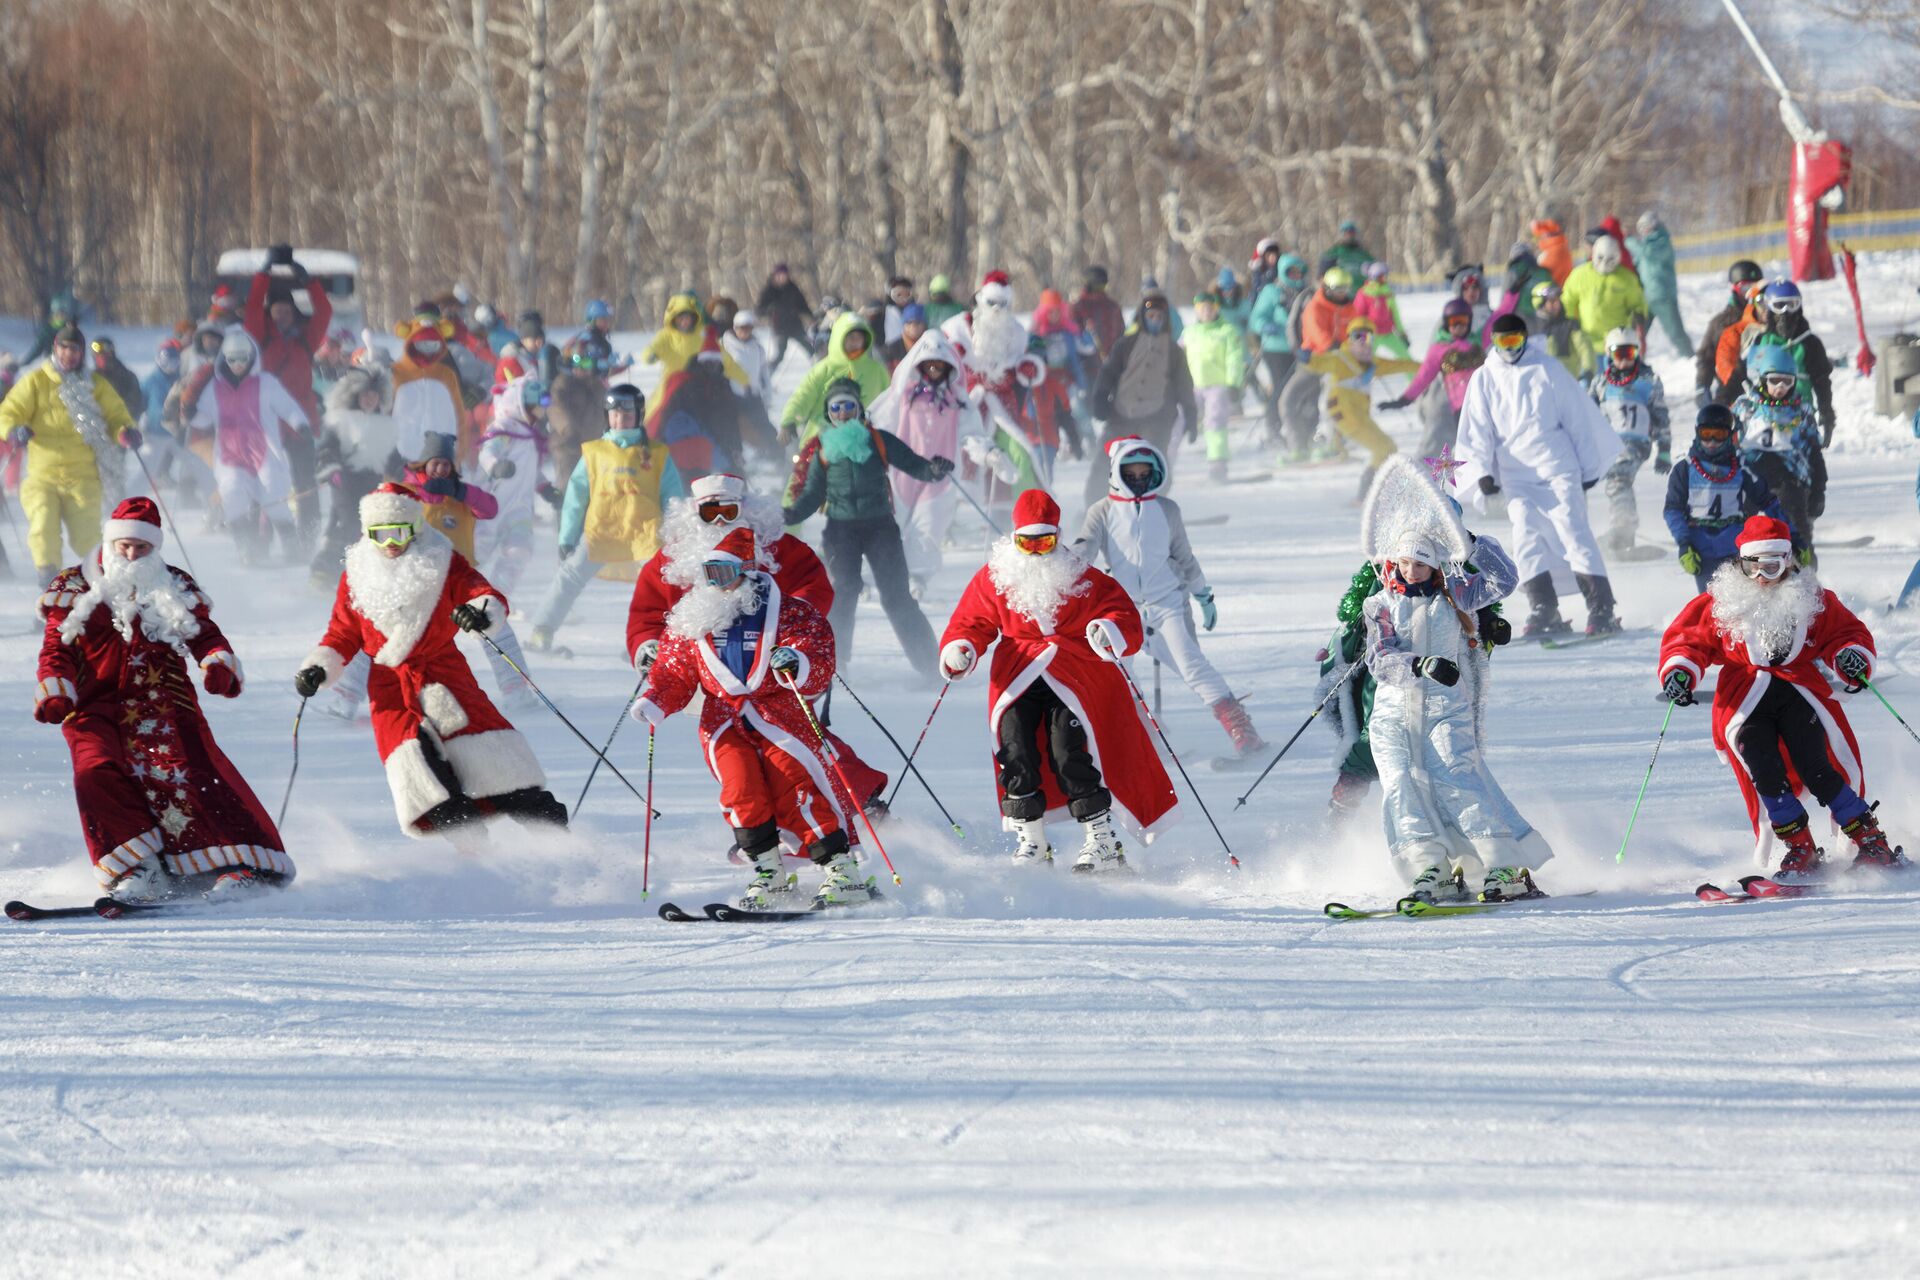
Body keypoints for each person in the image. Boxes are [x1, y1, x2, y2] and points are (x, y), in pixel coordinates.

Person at [33, 497, 292, 901]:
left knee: (193, 770)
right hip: (93, 706)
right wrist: (56, 684)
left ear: (156, 548)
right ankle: (140, 868)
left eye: (142, 548)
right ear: (110, 542)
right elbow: (56, 646)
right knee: (95, 771)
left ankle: (242, 862)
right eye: (124, 546)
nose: (132, 554)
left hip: (164, 702)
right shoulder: (73, 586)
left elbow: (204, 633)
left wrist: (216, 662)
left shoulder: (173, 584)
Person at [296, 482, 565, 845]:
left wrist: (480, 611)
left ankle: (555, 835)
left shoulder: (442, 560)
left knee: (495, 766)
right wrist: (321, 667)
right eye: (380, 535)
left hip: (444, 676)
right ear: (368, 534)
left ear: (414, 528)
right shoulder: (356, 575)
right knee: (422, 777)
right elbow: (342, 633)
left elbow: (478, 590)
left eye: (399, 532)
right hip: (390, 688)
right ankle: (473, 851)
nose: (390, 543)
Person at [632, 526, 876, 910]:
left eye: (724, 574)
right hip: (723, 720)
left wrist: (797, 662)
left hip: (777, 714)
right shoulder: (696, 617)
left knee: (796, 784)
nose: (716, 585)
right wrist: (657, 700)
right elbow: (674, 670)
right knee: (740, 791)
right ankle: (769, 872)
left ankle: (841, 869)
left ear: (746, 571)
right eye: (708, 574)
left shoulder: (787, 611)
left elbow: (817, 650)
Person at [939, 488, 1179, 869]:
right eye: (1027, 542)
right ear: (1014, 537)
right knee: (1014, 749)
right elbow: (972, 621)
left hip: (1074, 674)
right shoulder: (994, 576)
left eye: (1045, 541)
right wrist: (962, 647)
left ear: (1058, 536)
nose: (1036, 551)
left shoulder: (1082, 576)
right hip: (1017, 675)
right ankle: (1032, 841)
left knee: (1069, 751)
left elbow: (1121, 612)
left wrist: (1107, 629)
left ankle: (1102, 840)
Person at [626, 472, 890, 813]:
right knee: (734, 752)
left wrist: (795, 630)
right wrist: (648, 646)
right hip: (711, 677)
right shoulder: (673, 558)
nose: (720, 520)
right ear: (695, 514)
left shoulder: (773, 547)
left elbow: (813, 585)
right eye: (710, 513)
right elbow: (646, 612)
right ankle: (763, 823)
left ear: (744, 510)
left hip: (773, 667)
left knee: (797, 737)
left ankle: (857, 800)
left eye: (729, 511)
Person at [1659, 513, 1904, 876]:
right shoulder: (1721, 602)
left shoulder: (1810, 599)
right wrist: (1680, 670)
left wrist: (1849, 656)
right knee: (1764, 770)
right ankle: (1799, 845)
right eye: (1751, 567)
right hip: (1745, 698)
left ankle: (1870, 840)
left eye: (1771, 567)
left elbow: (1844, 632)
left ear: (1787, 563)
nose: (1761, 578)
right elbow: (1689, 638)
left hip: (1797, 694)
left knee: (1816, 765)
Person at [1359, 493, 1546, 905]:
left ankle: (1504, 863)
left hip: (1445, 709)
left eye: (1421, 562)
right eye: (1405, 561)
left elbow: (1504, 581)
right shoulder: (1379, 604)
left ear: (1438, 563)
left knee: (1457, 778)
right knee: (1400, 786)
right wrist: (1418, 664)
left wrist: (1469, 539)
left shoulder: (1456, 594)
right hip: (1393, 714)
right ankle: (1430, 868)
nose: (1411, 570)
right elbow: (1380, 657)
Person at [1074, 438, 1265, 760]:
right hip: (1121, 609)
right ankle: (1142, 736)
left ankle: (1241, 729)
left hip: (1167, 603)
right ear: (1117, 472)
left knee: (1192, 665)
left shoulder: (1166, 509)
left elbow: (1184, 556)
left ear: (1156, 471)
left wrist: (1203, 594)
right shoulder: (1102, 511)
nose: (1138, 477)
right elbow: (1085, 548)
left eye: (1144, 471)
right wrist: (1065, 567)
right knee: (1118, 675)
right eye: (1130, 471)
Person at [1456, 312, 1621, 637]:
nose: (1509, 348)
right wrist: (1483, 473)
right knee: (1526, 535)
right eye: (1503, 341)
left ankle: (1601, 607)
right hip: (1516, 476)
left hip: (1557, 467)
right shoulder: (1484, 378)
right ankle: (1543, 606)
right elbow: (1477, 430)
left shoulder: (1547, 369)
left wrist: (1589, 468)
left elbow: (1578, 420)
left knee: (1574, 531)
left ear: (1524, 338)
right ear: (1493, 342)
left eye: (1515, 340)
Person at [782, 376, 950, 678]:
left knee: (896, 595)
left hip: (880, 527)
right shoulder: (822, 448)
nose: (843, 413)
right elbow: (811, 495)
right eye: (836, 408)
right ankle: (833, 664)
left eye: (849, 405)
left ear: (859, 409)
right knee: (843, 591)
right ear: (828, 414)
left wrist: (934, 470)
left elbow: (915, 464)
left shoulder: (877, 439)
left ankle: (929, 666)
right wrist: (787, 516)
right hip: (840, 530)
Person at [529, 383, 685, 650]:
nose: (620, 420)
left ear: (638, 415)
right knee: (569, 576)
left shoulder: (657, 454)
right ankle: (543, 628)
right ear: (607, 416)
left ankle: (663, 640)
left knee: (663, 585)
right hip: (603, 531)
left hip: (645, 533)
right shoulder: (595, 452)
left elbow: (673, 498)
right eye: (614, 414)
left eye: (626, 415)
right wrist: (567, 537)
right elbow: (576, 498)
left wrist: (679, 535)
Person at [0, 324, 138, 586]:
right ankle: (49, 588)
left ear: (81, 353)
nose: (68, 354)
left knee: (86, 536)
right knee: (43, 528)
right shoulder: (37, 381)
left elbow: (116, 415)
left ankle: (102, 590)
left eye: (74, 349)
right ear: (55, 348)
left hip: (82, 475)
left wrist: (125, 431)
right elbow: (8, 412)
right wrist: (14, 429)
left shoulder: (95, 384)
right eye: (64, 348)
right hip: (43, 475)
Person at [868, 330, 1001, 592]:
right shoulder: (902, 395)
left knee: (928, 527)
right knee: (892, 525)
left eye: (940, 364)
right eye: (929, 364)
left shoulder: (958, 400)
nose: (934, 369)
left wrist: (987, 453)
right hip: (901, 472)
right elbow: (876, 423)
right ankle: (881, 574)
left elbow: (972, 434)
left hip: (941, 476)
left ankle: (917, 576)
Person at [189, 329, 306, 565]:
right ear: (224, 359)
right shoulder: (215, 387)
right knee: (232, 496)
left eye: (243, 358)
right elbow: (203, 418)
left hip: (265, 453)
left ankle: (291, 545)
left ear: (252, 357)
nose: (238, 364)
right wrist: (191, 414)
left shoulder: (266, 383)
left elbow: (289, 407)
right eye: (232, 359)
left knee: (274, 497)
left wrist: (300, 425)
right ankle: (246, 547)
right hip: (230, 454)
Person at [246, 245, 332, 548]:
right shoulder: (259, 337)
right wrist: (263, 274)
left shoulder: (306, 339)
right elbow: (253, 307)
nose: (281, 313)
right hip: (267, 425)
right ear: (270, 313)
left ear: (294, 312)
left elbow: (324, 311)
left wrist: (309, 281)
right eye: (276, 309)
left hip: (301, 424)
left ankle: (306, 541)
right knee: (266, 485)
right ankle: (260, 544)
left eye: (286, 309)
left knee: (305, 484)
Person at [1663, 402, 1793, 592]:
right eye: (1707, 435)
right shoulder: (1684, 469)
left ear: (1730, 435)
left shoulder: (1741, 467)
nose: (1713, 442)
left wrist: (1793, 536)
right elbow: (1673, 509)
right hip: (1701, 547)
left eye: (1719, 435)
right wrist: (1684, 543)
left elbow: (1769, 502)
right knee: (1711, 601)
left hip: (1735, 546)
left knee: (1743, 597)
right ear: (1697, 433)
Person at [1084, 288, 1197, 504]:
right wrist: (1100, 397)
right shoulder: (1126, 344)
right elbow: (1108, 372)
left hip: (1157, 416)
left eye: (1159, 317)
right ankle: (1093, 507)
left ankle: (1153, 506)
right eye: (1151, 316)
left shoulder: (1173, 351)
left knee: (1154, 463)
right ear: (1143, 317)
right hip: (1122, 412)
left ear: (1165, 320)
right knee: (1105, 460)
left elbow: (1184, 385)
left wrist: (1191, 414)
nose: (1154, 320)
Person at [941, 271, 1050, 490]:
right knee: (967, 458)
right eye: (992, 302)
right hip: (968, 405)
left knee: (1020, 453)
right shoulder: (958, 327)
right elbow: (935, 358)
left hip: (1003, 407)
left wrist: (1028, 365)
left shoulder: (1016, 332)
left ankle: (1027, 510)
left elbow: (1026, 357)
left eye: (1002, 303)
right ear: (981, 299)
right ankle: (964, 513)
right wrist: (951, 354)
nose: (996, 309)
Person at [310, 364, 401, 587]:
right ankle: (327, 570)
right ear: (355, 396)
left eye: (374, 395)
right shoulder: (340, 421)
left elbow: (393, 459)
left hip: (373, 484)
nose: (369, 399)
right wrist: (331, 470)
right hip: (345, 482)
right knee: (349, 523)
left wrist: (406, 472)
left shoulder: (387, 427)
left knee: (360, 526)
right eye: (365, 395)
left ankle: (347, 571)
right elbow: (326, 450)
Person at [1732, 344, 1826, 558]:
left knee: (1797, 531)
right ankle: (1741, 572)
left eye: (1787, 381)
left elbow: (1814, 452)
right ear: (1763, 380)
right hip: (1751, 480)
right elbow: (1727, 442)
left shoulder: (1801, 412)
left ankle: (1805, 577)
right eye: (1774, 380)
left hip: (1790, 482)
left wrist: (1819, 489)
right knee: (1742, 528)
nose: (1780, 387)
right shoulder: (1746, 408)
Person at [1308, 316, 1419, 496]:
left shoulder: (1373, 363)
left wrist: (1429, 366)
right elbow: (1317, 362)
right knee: (1383, 447)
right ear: (1349, 339)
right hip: (1344, 416)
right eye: (1357, 336)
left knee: (1389, 448)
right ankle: (1365, 491)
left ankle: (1374, 489)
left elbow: (1401, 364)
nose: (1363, 342)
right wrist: (1306, 357)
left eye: (1368, 337)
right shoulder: (1340, 359)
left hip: (1360, 416)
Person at [1718, 280, 1838, 446]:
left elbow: (1822, 381)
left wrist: (1826, 413)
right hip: (1763, 416)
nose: (1786, 312)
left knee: (1807, 461)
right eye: (1779, 306)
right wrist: (1721, 406)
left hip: (1798, 416)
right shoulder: (1761, 341)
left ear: (1800, 307)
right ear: (1769, 309)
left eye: (1792, 305)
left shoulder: (1810, 344)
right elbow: (1740, 375)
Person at [1590, 326, 1672, 557]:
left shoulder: (1648, 381)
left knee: (1618, 478)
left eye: (1630, 354)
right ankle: (1622, 530)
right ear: (1609, 354)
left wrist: (1664, 450)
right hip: (1608, 444)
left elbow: (1661, 418)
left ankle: (1623, 529)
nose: (1625, 360)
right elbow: (1586, 413)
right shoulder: (1600, 383)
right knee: (1615, 481)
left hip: (1635, 442)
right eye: (1619, 354)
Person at [474, 374, 551, 597]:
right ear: (521, 404)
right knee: (478, 553)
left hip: (520, 508)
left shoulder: (530, 434)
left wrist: (545, 488)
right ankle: (462, 593)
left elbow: (530, 469)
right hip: (493, 506)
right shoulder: (504, 428)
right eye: (540, 404)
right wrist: (495, 466)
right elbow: (487, 451)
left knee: (520, 550)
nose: (543, 409)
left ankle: (497, 595)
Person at [1381, 298, 1484, 460]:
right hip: (1461, 409)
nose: (1458, 326)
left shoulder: (1478, 341)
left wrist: (1512, 293)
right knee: (1470, 448)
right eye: (1453, 322)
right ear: (1446, 323)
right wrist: (1405, 399)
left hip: (1484, 403)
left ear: (1470, 322)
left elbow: (1499, 318)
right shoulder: (1439, 349)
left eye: (1463, 321)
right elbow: (1423, 376)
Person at [1276, 267, 1358, 463]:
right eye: (1338, 289)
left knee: (1333, 400)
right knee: (1288, 400)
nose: (1342, 294)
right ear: (1327, 288)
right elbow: (1317, 333)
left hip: (1338, 362)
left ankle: (1334, 443)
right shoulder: (1315, 306)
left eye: (1345, 289)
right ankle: (1298, 446)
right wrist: (1331, 344)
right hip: (1315, 360)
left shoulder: (1350, 308)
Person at [778, 309, 891, 447]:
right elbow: (802, 396)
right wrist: (790, 420)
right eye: (850, 337)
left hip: (863, 441)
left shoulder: (876, 370)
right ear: (839, 338)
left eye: (859, 337)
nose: (855, 342)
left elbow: (890, 400)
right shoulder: (823, 369)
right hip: (823, 440)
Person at [1183, 290, 1247, 482]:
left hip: (1217, 385)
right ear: (1197, 311)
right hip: (1193, 385)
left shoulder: (1227, 331)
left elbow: (1235, 358)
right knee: (1178, 419)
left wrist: (1233, 383)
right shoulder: (1190, 332)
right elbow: (1178, 357)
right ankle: (1164, 461)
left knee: (1215, 421)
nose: (1207, 312)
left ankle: (1217, 463)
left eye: (1210, 308)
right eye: (1203, 309)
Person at [1247, 252, 1309, 441]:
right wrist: (1265, 325)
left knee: (1303, 390)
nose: (1296, 277)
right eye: (1291, 272)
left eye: (1299, 273)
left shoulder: (1306, 293)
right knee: (1281, 389)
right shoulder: (1271, 291)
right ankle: (1274, 428)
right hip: (1276, 348)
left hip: (1301, 349)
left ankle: (1303, 429)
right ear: (1283, 272)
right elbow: (1256, 317)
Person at [391, 312, 466, 462]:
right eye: (421, 344)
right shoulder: (396, 372)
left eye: (433, 344)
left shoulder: (446, 374)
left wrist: (459, 452)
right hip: (402, 456)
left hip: (440, 456)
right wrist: (389, 458)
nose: (427, 350)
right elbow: (385, 414)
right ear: (411, 343)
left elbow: (458, 414)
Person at [1560, 235, 1648, 363]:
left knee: (1614, 381)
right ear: (1594, 254)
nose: (1605, 263)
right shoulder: (1580, 275)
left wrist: (1639, 317)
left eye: (1610, 259)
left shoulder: (1627, 279)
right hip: (1587, 343)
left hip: (1617, 344)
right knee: (1589, 381)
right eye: (1601, 258)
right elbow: (1567, 300)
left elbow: (1638, 303)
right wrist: (1568, 323)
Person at [1027, 290, 1087, 465]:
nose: (1054, 315)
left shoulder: (1068, 332)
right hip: (1043, 384)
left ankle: (1076, 449)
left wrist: (1080, 381)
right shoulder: (1036, 335)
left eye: (1057, 311)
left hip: (1064, 381)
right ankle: (1049, 448)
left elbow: (1074, 360)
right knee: (1047, 417)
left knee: (1070, 415)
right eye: (1050, 312)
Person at [1694, 261, 1765, 408]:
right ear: (1735, 289)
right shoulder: (1722, 323)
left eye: (1755, 288)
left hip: (1767, 390)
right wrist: (1702, 385)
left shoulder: (1767, 318)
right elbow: (1706, 357)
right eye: (1746, 288)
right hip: (1731, 390)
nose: (1750, 294)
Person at [642, 292, 745, 386]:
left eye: (687, 318)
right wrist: (650, 355)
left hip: (699, 386)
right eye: (681, 318)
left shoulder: (703, 334)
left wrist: (743, 379)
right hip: (672, 386)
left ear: (694, 318)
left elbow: (723, 357)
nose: (684, 322)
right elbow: (653, 347)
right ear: (673, 319)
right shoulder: (666, 335)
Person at [1628, 211, 1690, 356]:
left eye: (1644, 227)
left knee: (1675, 332)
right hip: (1646, 297)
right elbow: (1639, 263)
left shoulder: (1662, 242)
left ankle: (1690, 358)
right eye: (1640, 228)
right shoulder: (1646, 244)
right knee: (1636, 332)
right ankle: (1633, 359)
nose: (1642, 231)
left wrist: (1629, 241)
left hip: (1662, 295)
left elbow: (1648, 254)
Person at [1528, 280, 1595, 383]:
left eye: (1557, 300)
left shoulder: (1570, 325)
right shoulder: (1530, 326)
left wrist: (1588, 371)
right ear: (1540, 303)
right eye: (1551, 301)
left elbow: (1585, 349)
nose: (1556, 304)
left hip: (1567, 383)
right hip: (1539, 383)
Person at [755, 263, 816, 370]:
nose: (782, 277)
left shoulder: (793, 288)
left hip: (795, 326)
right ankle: (767, 375)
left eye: (784, 275)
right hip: (779, 327)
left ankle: (820, 369)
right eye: (779, 275)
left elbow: (803, 305)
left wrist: (810, 316)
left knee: (811, 350)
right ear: (774, 276)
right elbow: (759, 310)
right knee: (779, 355)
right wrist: (770, 310)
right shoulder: (769, 290)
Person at [1071, 266, 1125, 380]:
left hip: (1110, 366)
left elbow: (1122, 335)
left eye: (1102, 285)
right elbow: (1073, 338)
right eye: (1098, 285)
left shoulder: (1112, 307)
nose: (1100, 289)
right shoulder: (1079, 308)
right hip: (1088, 368)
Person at [1353, 262, 1410, 360]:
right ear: (1374, 277)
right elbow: (1358, 315)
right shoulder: (1364, 293)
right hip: (1369, 334)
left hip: (1387, 333)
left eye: (1386, 277)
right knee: (1364, 362)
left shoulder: (1388, 293)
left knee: (1405, 357)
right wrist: (1358, 334)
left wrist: (1402, 333)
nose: (1385, 280)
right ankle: (1361, 375)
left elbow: (1395, 315)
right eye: (1382, 277)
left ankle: (1415, 375)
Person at [89, 337, 146, 425]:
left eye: (105, 354)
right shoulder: (90, 379)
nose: (101, 358)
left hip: (123, 429)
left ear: (112, 354)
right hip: (96, 429)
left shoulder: (127, 377)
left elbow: (135, 408)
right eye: (98, 355)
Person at [1533, 220, 1573, 285]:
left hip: (1552, 291)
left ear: (1547, 235)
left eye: (1541, 236)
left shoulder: (1553, 252)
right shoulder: (1562, 248)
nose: (1539, 240)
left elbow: (1541, 275)